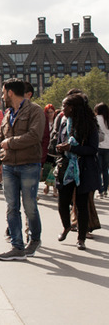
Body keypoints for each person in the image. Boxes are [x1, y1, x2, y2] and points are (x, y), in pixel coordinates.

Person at [0, 78, 45, 261]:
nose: (2, 96)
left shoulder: (35, 111)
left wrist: (10, 143)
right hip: (9, 166)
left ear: (10, 92)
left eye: (3, 93)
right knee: (12, 207)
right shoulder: (7, 114)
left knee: (29, 206)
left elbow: (35, 136)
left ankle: (34, 239)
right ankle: (17, 246)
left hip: (29, 165)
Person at [55, 94, 102, 250]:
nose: (62, 109)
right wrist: (60, 148)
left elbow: (93, 149)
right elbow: (58, 140)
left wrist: (72, 148)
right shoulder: (63, 123)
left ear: (71, 108)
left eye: (64, 106)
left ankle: (81, 238)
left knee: (82, 206)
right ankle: (66, 226)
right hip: (66, 168)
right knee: (62, 203)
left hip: (84, 169)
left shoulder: (89, 125)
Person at [94, 102, 109, 198]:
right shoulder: (108, 119)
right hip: (108, 147)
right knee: (105, 169)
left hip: (99, 146)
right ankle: (105, 190)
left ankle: (100, 190)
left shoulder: (96, 119)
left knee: (98, 170)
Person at [42, 104, 57, 195]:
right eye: (48, 112)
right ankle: (47, 186)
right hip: (46, 148)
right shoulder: (44, 122)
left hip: (54, 148)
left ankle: (55, 188)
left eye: (52, 112)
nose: (50, 114)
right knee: (47, 168)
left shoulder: (57, 122)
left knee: (55, 168)